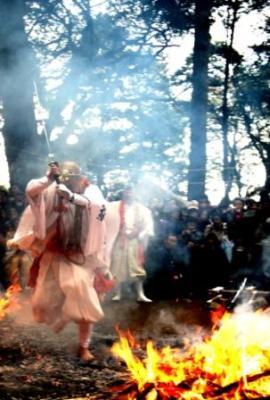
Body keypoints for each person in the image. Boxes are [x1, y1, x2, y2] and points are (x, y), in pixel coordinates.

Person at [7, 161, 109, 361]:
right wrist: (48, 178)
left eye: (74, 179)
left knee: (81, 293)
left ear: (81, 178)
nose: (71, 182)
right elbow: (32, 190)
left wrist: (71, 197)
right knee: (43, 304)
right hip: (53, 254)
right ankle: (64, 316)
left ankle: (83, 347)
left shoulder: (91, 191)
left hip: (81, 255)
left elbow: (96, 205)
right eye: (66, 179)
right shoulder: (51, 190)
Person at [109, 186, 154, 302]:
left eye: (131, 192)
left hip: (135, 241)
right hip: (120, 239)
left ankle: (140, 293)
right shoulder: (113, 207)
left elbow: (148, 226)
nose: (129, 194)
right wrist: (118, 230)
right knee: (117, 266)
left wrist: (139, 234)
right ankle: (117, 293)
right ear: (123, 193)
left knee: (137, 266)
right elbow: (108, 221)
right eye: (127, 192)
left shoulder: (143, 209)